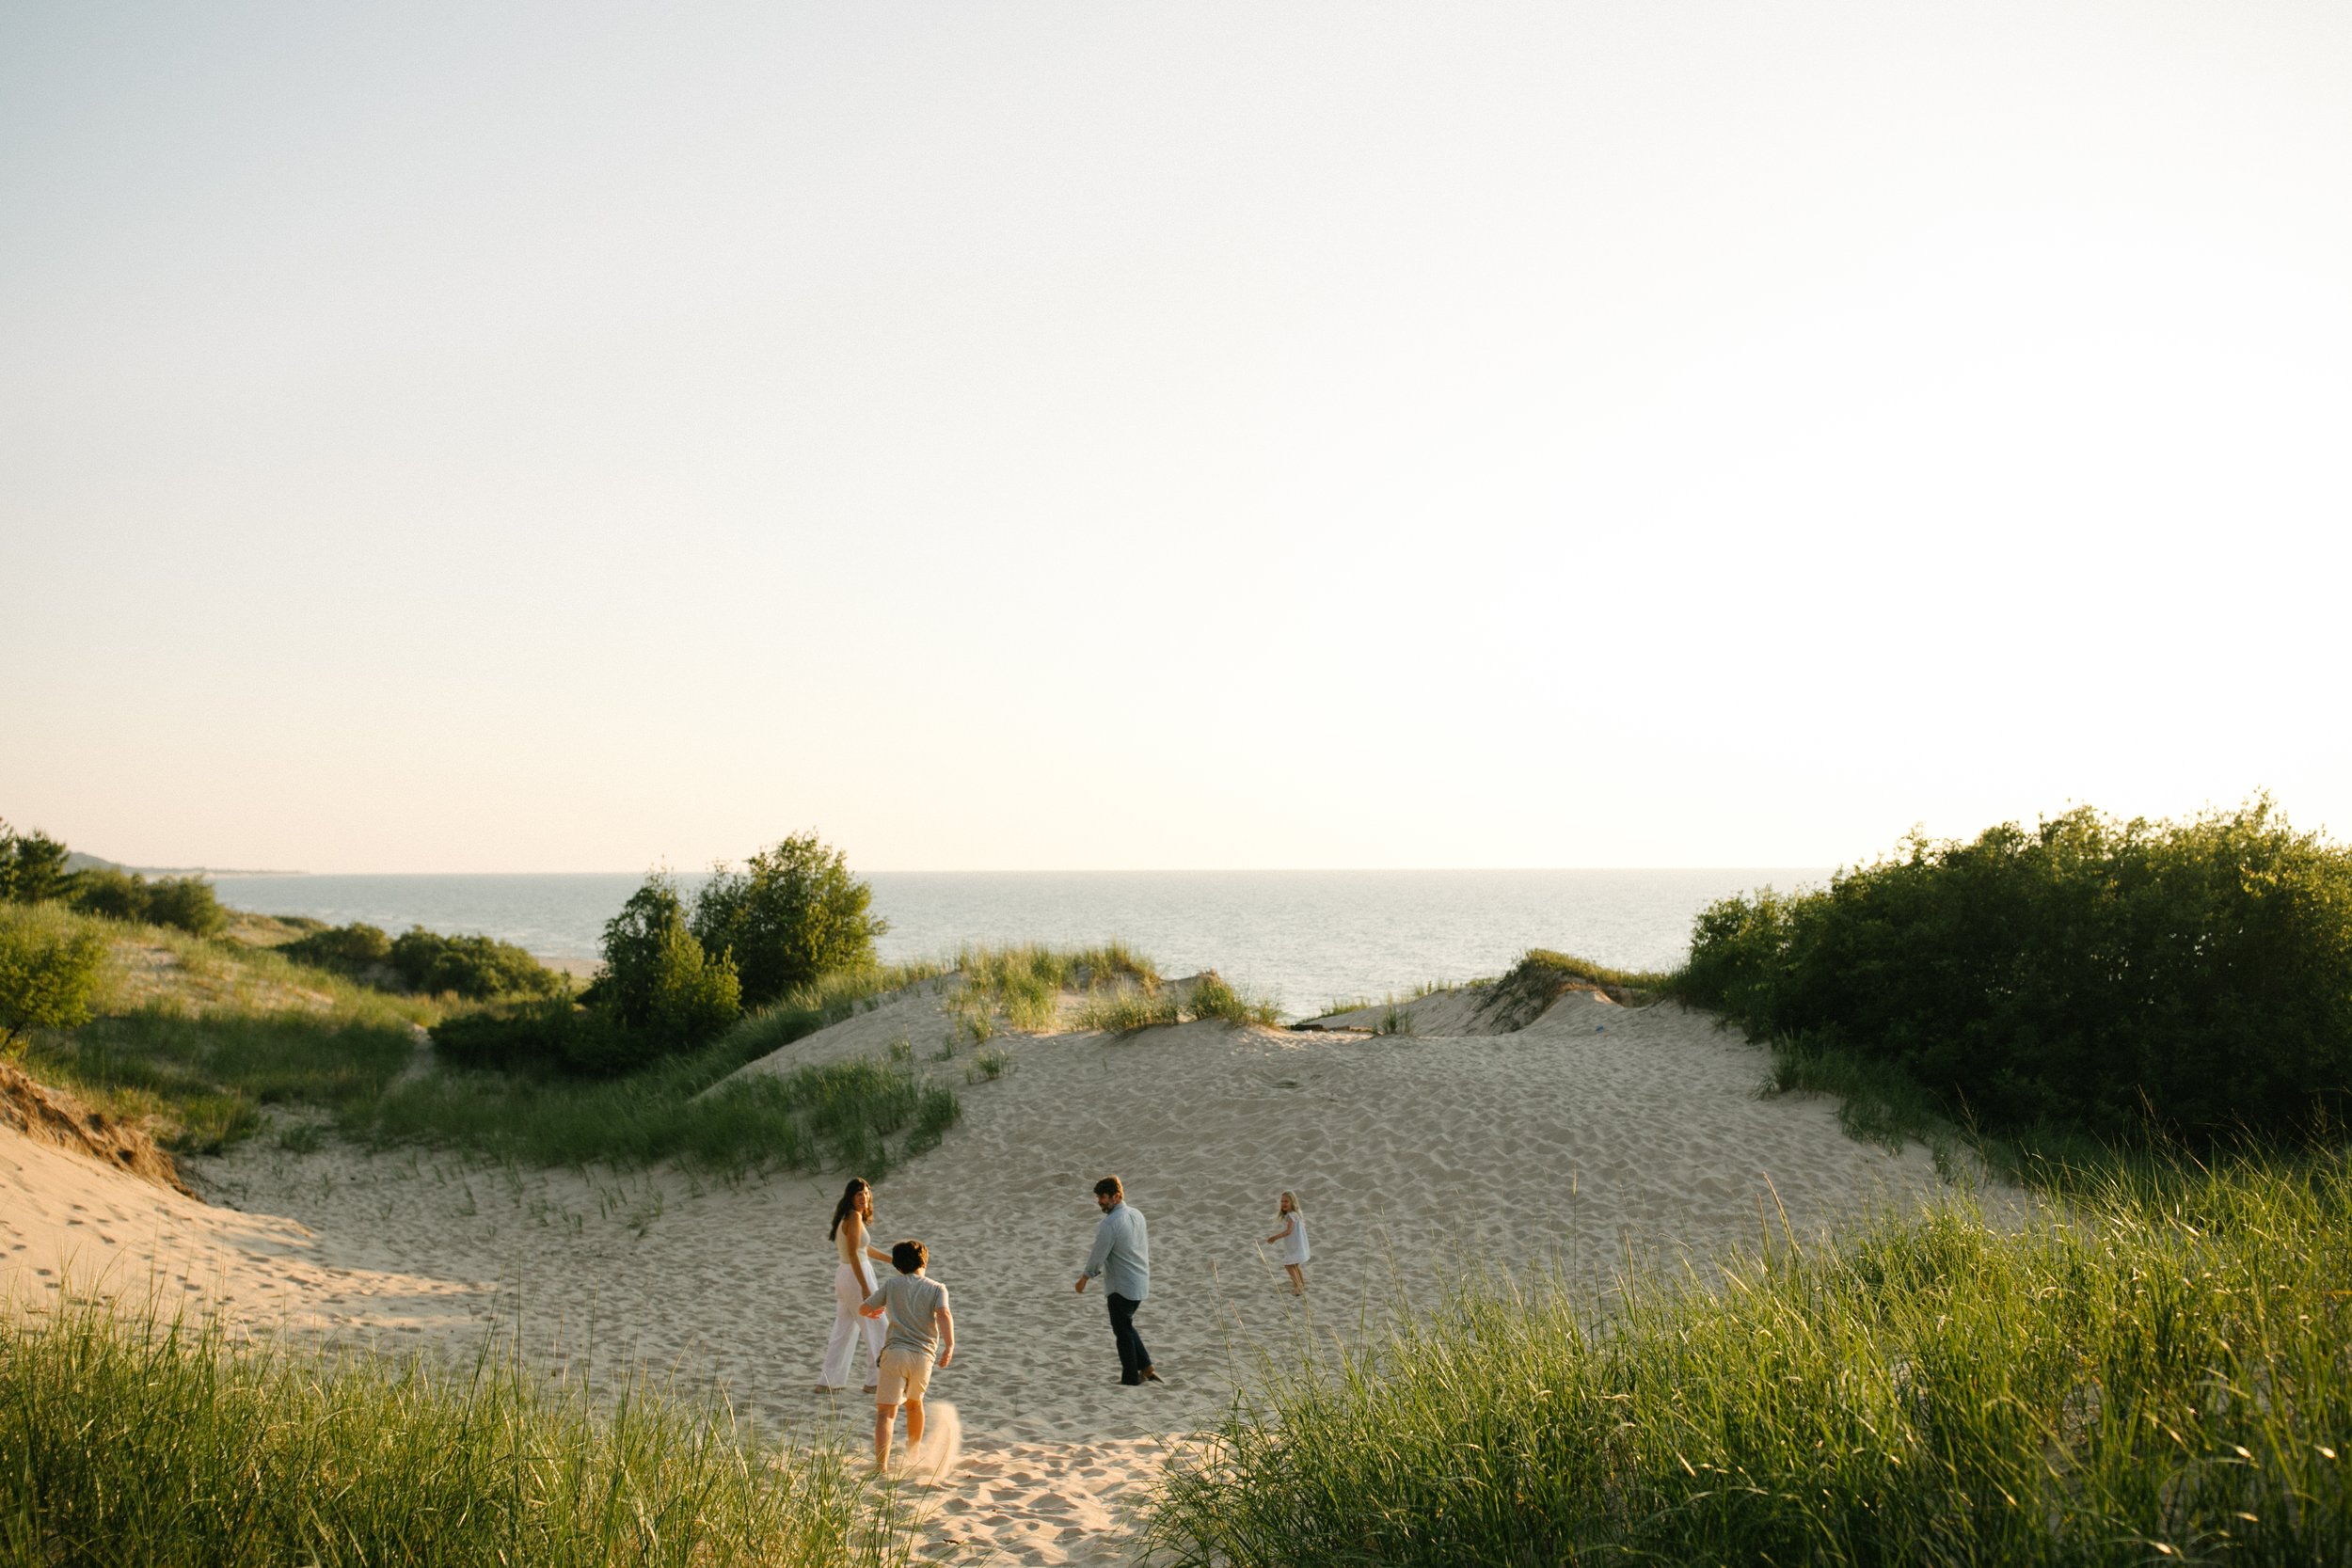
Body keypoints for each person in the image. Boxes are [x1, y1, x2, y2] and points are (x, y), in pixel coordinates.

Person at [859, 1237, 954, 1470]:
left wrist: (873, 1312)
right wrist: (949, 1345)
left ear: (898, 1267)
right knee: (914, 1404)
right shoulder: (937, 1288)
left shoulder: (892, 1285)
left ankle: (881, 1466)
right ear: (924, 1262)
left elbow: (864, 1308)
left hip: (895, 1353)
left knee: (886, 1413)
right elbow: (943, 1314)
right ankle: (912, 1456)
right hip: (923, 1356)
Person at [1074, 1175, 1158, 1386]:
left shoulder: (1110, 1224)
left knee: (1122, 1333)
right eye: (1098, 1197)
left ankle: (1130, 1379)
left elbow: (1098, 1254)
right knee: (1125, 1325)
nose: (1100, 1202)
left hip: (1121, 1286)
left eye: (1103, 1197)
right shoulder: (1137, 1215)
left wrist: (1085, 1277)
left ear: (1117, 1196)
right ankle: (1147, 1368)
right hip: (1140, 1282)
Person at [818, 1177, 893, 1393]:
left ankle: (827, 1382)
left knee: (843, 1329)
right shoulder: (853, 1217)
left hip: (846, 1274)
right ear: (851, 1197)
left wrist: (892, 1259)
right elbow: (854, 1254)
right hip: (856, 1274)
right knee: (877, 1325)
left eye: (867, 1193)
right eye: (859, 1194)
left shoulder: (850, 1218)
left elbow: (863, 1248)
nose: (864, 1197)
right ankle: (875, 1381)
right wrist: (866, 1288)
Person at [1264, 1190, 1310, 1294]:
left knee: (1288, 1265)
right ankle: (1302, 1283)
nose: (1284, 1204)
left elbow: (1289, 1231)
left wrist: (1275, 1237)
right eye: (1282, 1201)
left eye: (1286, 1201)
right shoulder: (1294, 1214)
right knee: (1295, 1265)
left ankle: (1297, 1286)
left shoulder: (1291, 1216)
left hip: (1295, 1245)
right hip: (1297, 1244)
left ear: (1292, 1203)